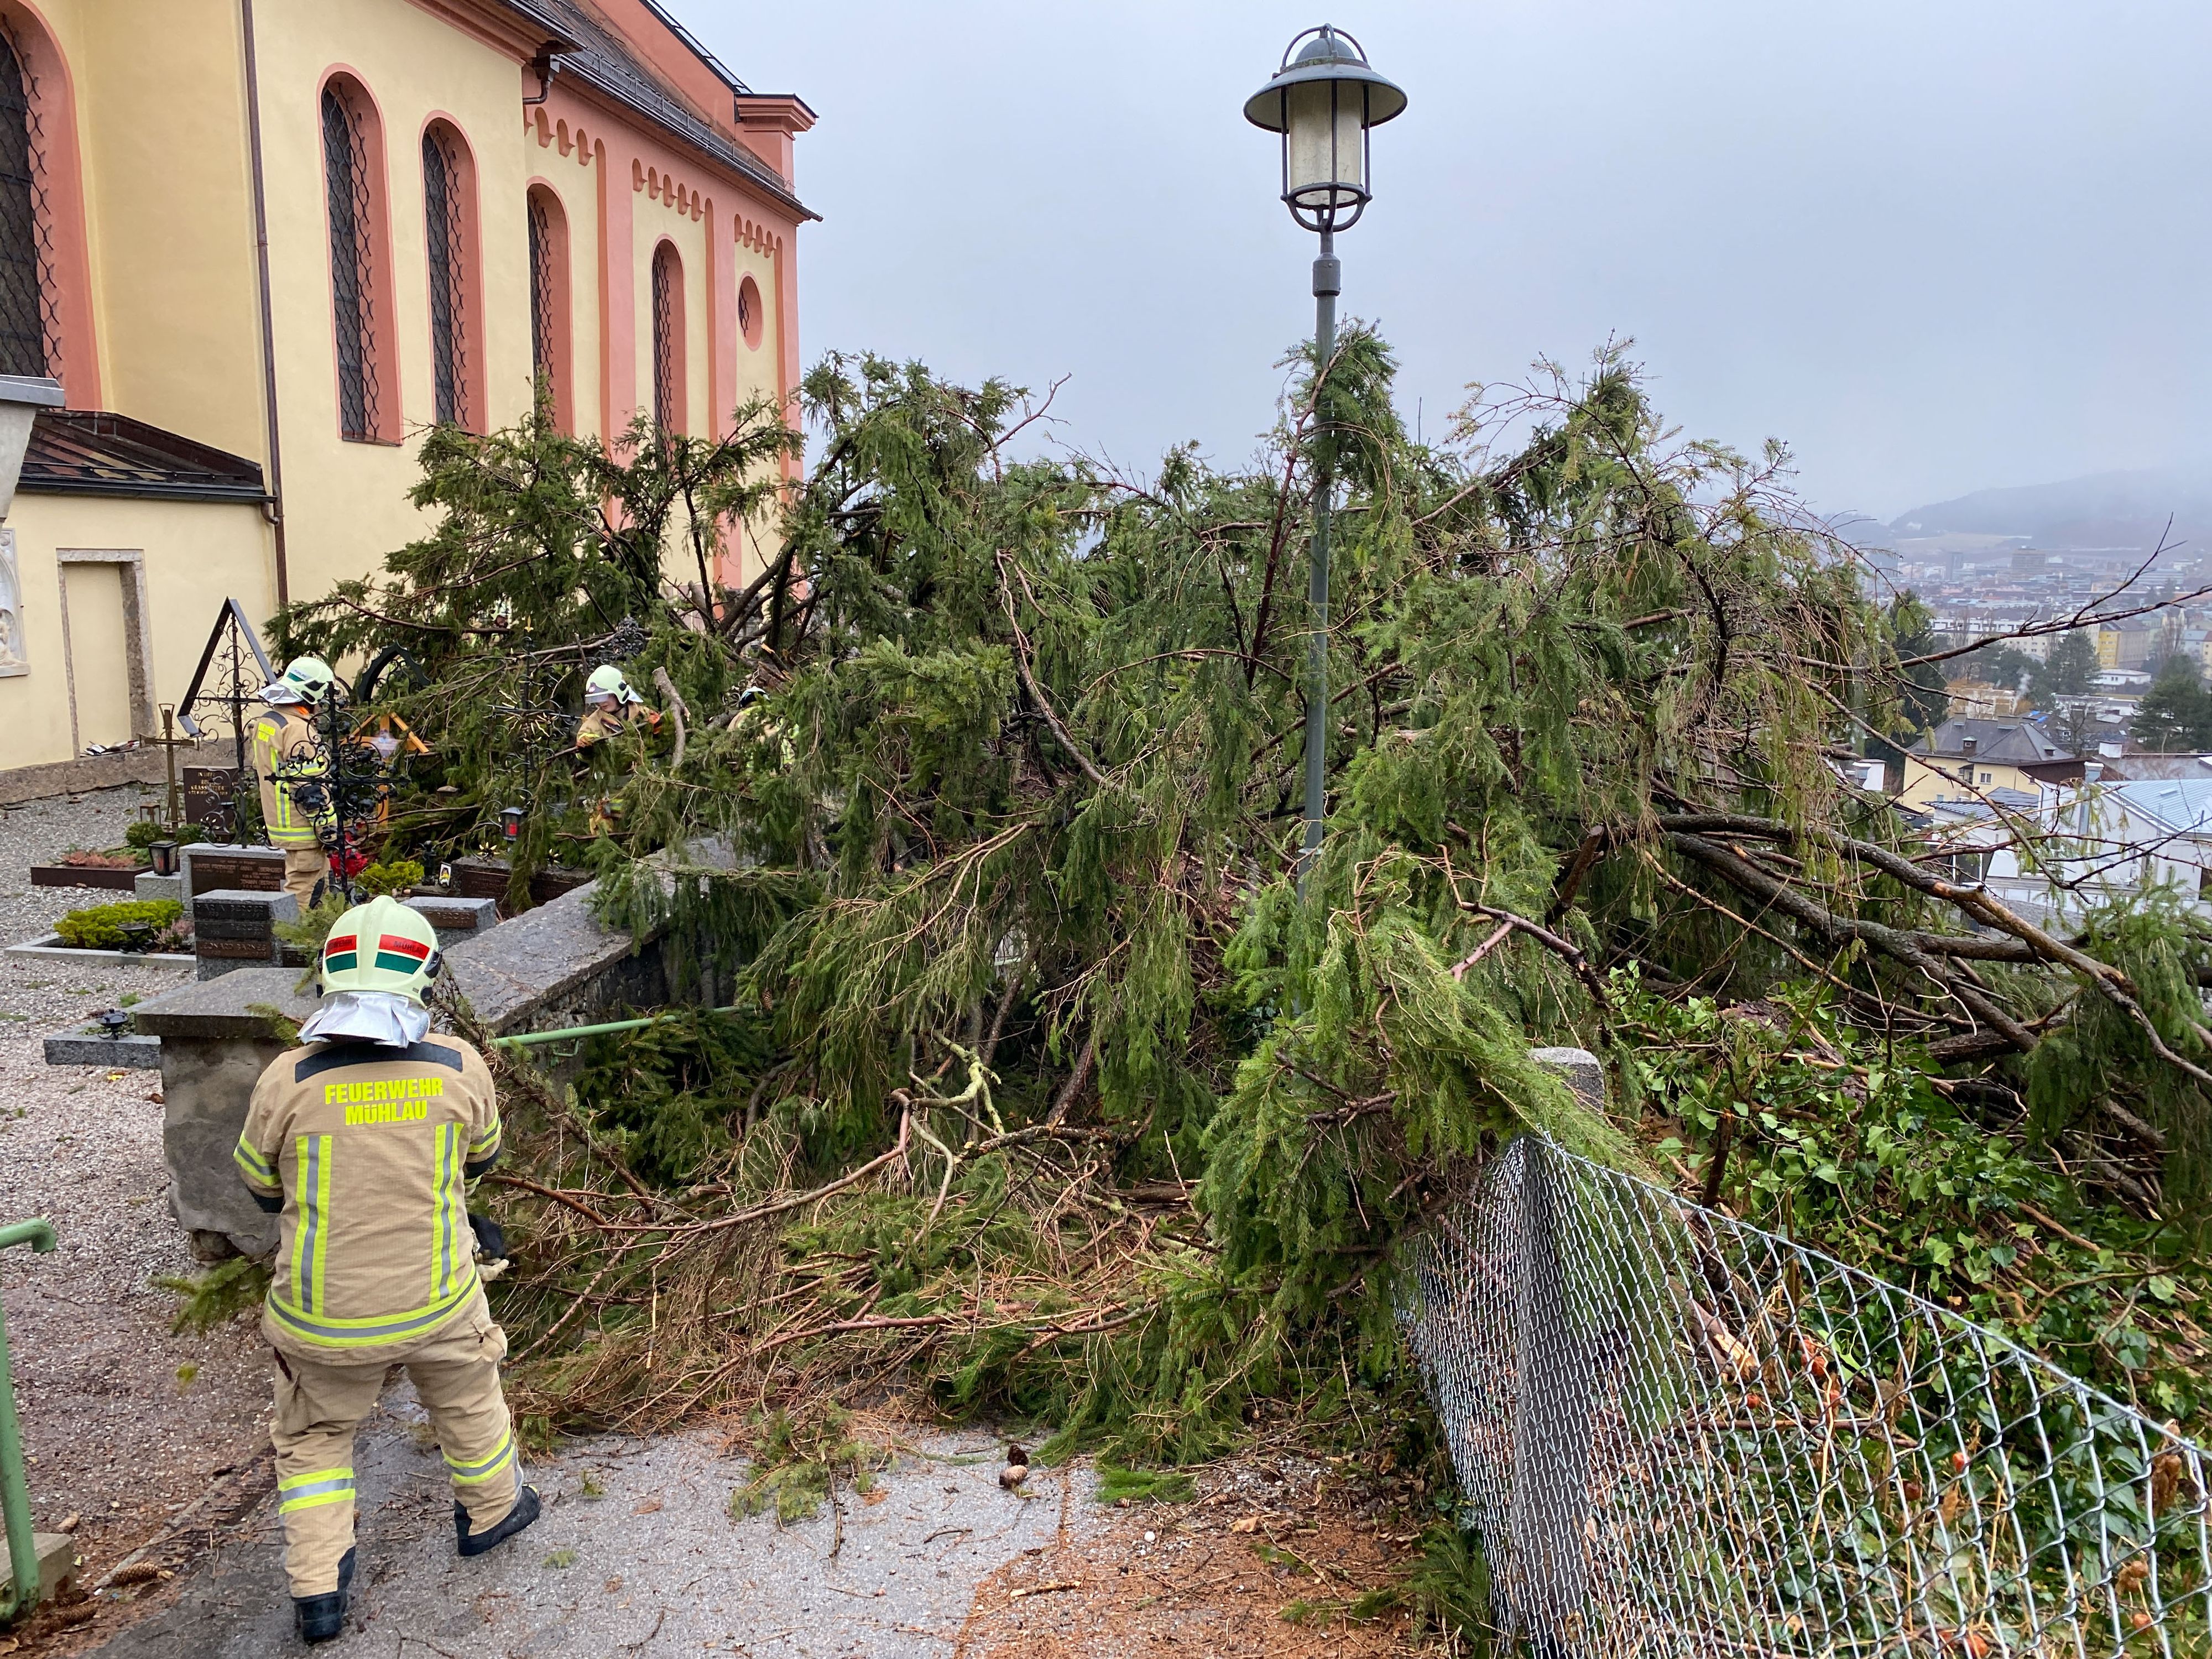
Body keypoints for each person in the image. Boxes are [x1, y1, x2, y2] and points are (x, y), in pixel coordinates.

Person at [233, 895, 539, 1643]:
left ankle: (318, 1591)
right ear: (424, 981)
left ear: (328, 978)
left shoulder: (288, 1078)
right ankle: (495, 1513)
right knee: (468, 1397)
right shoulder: (457, 1066)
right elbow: (485, 1159)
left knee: (313, 1438)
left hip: (320, 1318)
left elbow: (261, 1187)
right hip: (438, 1299)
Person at [251, 656, 336, 910]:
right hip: (303, 828)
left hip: (281, 823)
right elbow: (309, 788)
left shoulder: (269, 722)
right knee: (306, 892)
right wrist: (328, 828)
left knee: (315, 886)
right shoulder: (299, 730)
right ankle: (300, 945)